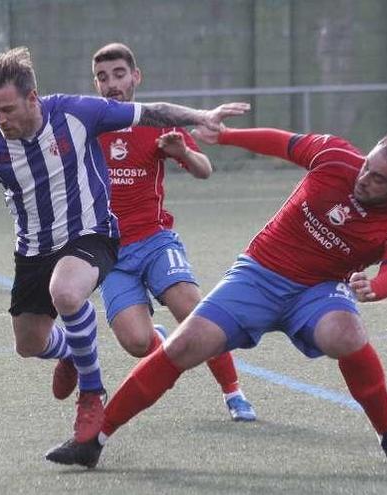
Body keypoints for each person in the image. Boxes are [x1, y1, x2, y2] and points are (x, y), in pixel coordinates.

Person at [0, 47, 249, 444]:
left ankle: (92, 394)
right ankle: (71, 349)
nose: (0, 119)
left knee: (67, 292)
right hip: (34, 249)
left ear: (32, 98)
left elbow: (151, 111)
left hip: (93, 234)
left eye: (8, 109)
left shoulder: (76, 113)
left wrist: (201, 118)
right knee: (29, 344)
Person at [46, 126, 387, 468]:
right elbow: (281, 143)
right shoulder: (334, 156)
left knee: (347, 335)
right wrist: (226, 136)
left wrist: (376, 287)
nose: (363, 178)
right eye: (367, 165)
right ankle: (93, 442)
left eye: (378, 178)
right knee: (184, 345)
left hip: (317, 290)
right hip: (258, 274)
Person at [83, 42, 255, 421]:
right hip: (110, 253)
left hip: (156, 241)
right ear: (95, 84)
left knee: (195, 313)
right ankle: (160, 340)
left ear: (136, 77)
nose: (111, 84)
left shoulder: (159, 121)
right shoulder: (89, 127)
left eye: (119, 74)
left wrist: (182, 151)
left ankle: (234, 393)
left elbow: (204, 169)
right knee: (137, 342)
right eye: (102, 77)